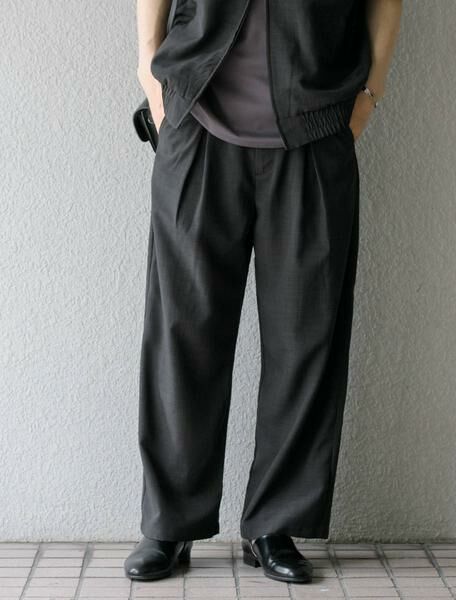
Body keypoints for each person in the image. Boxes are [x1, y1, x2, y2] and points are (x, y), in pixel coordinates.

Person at [125, 0, 403, 585]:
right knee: (183, 333)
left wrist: (368, 95)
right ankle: (170, 522)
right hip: (197, 120)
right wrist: (151, 72)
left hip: (315, 128)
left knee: (306, 338)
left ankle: (275, 523)